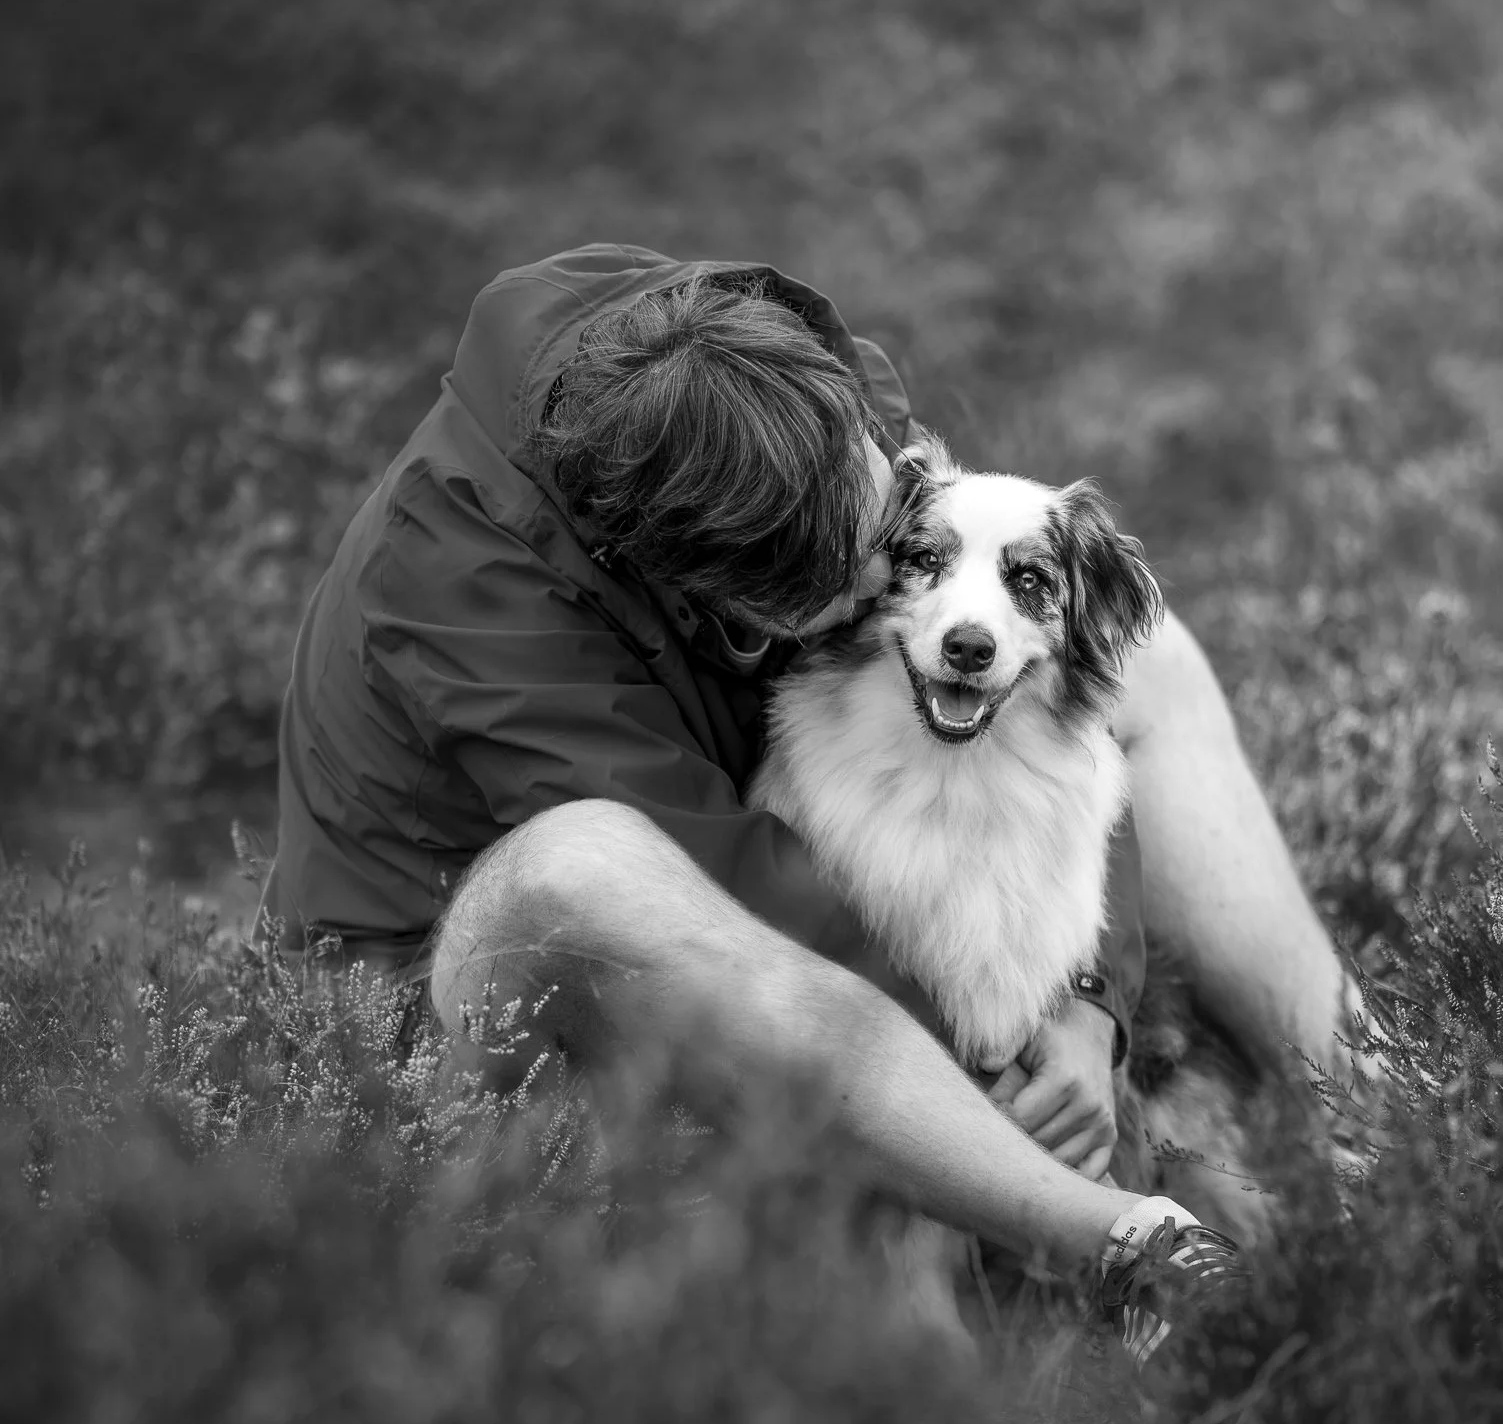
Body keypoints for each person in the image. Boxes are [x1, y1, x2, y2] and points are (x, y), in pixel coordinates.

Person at [263, 243, 1354, 1302]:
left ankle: (1378, 1107)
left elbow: (1040, 674)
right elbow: (750, 896)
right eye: (855, 584)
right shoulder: (473, 613)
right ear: (713, 601)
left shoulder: (779, 377)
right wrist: (993, 1051)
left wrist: (1084, 1000)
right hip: (464, 1013)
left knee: (1139, 649)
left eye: (890, 519)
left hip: (756, 885)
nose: (897, 578)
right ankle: (1108, 1242)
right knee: (578, 870)